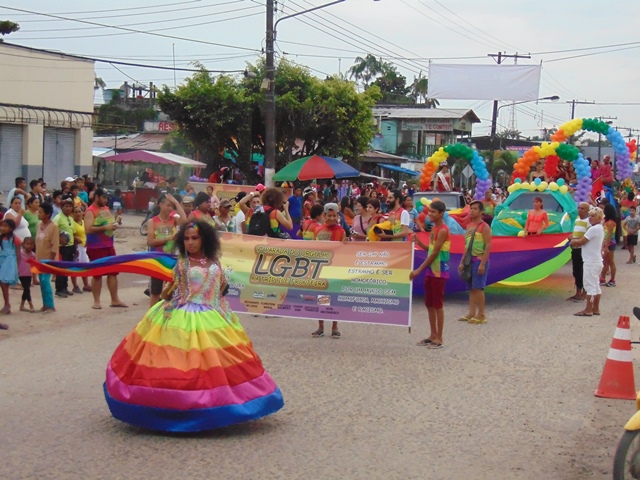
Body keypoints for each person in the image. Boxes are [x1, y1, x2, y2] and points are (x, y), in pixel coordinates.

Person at [103, 220, 284, 432]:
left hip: (213, 315)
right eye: (187, 239)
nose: (190, 243)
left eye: (195, 238)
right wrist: (168, 300)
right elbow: (168, 293)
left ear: (204, 239)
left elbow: (222, 288)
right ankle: (177, 409)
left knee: (218, 366)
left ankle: (217, 407)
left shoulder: (214, 261)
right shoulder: (182, 264)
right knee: (181, 366)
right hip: (183, 315)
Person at [410, 200, 450, 349]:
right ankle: (432, 334)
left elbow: (434, 254)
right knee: (429, 304)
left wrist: (418, 270)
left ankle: (439, 338)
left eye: (433, 212)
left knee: (438, 304)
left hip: (439, 271)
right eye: (429, 211)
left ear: (441, 214)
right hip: (431, 271)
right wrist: (419, 243)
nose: (430, 214)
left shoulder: (443, 230)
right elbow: (431, 249)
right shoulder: (434, 228)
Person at [85, 188, 128, 310]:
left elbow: (108, 223)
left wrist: (115, 223)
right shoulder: (90, 211)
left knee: (113, 273)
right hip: (95, 246)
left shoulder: (106, 209)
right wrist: (105, 227)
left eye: (106, 198)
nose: (105, 200)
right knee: (97, 274)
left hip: (109, 244)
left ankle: (115, 299)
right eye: (103, 197)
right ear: (97, 197)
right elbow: (88, 229)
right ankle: (96, 301)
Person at [312, 203, 345, 339]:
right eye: (329, 215)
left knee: (334, 299)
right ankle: (321, 327)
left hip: (335, 270)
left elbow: (344, 250)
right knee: (322, 299)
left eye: (334, 215)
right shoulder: (318, 230)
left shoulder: (341, 231)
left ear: (338, 216)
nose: (332, 218)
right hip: (321, 270)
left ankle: (335, 327)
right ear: (324, 215)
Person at [147, 194, 187, 307]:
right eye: (168, 205)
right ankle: (151, 316)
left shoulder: (174, 220)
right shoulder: (152, 221)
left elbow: (184, 220)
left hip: (172, 260)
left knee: (170, 290)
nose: (170, 208)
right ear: (160, 205)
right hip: (157, 259)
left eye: (172, 206)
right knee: (156, 291)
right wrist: (168, 239)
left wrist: (177, 202)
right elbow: (150, 241)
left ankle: (166, 314)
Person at [458, 201, 491, 324]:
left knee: (478, 288)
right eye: (471, 208)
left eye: (475, 209)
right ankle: (471, 313)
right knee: (471, 288)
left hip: (479, 259)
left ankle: (481, 314)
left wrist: (482, 263)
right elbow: (466, 247)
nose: (472, 211)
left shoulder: (484, 226)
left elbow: (488, 245)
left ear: (481, 211)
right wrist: (462, 262)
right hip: (469, 261)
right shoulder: (469, 226)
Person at [571, 207, 605, 316]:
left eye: (593, 216)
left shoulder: (593, 229)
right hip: (596, 260)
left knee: (590, 286)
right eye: (589, 215)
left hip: (591, 261)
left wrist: (573, 241)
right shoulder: (599, 228)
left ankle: (589, 309)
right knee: (595, 285)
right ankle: (595, 308)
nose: (590, 218)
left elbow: (581, 241)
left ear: (599, 217)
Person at [35, 203, 58, 313]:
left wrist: (51, 260)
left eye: (41, 212)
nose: (38, 214)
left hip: (48, 259)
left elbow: (54, 245)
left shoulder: (54, 227)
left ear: (47, 214)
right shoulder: (39, 225)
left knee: (45, 281)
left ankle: (50, 305)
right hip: (39, 259)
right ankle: (45, 304)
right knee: (41, 281)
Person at [53, 194, 77, 298]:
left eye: (70, 206)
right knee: (61, 268)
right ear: (62, 207)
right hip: (61, 247)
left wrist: (75, 247)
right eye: (66, 206)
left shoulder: (71, 219)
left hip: (70, 246)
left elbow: (73, 233)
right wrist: (59, 239)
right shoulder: (58, 218)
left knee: (67, 268)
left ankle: (65, 287)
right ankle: (59, 289)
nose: (68, 208)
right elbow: (53, 231)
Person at [567, 202, 590, 302]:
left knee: (583, 271)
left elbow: (588, 236)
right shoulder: (577, 220)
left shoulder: (589, 221)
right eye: (579, 208)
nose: (580, 210)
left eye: (583, 208)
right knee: (576, 271)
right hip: (575, 249)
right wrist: (572, 236)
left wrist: (577, 240)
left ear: (587, 211)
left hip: (583, 249)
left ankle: (585, 292)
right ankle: (578, 292)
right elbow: (576, 232)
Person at [0, 219, 19, 320]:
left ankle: (7, 304)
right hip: (2, 259)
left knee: (3, 281)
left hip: (10, 260)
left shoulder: (14, 239)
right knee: (2, 282)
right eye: (2, 226)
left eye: (6, 226)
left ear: (11, 228)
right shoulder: (2, 237)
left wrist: (18, 266)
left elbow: (18, 253)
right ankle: (6, 304)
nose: (3, 228)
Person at [71, 205, 91, 294]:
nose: (78, 214)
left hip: (84, 247)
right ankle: (75, 286)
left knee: (85, 265)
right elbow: (70, 234)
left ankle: (86, 284)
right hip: (76, 247)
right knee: (75, 266)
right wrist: (75, 238)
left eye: (80, 211)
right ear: (73, 214)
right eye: (76, 212)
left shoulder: (84, 222)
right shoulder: (72, 223)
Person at [600, 203, 617, 287]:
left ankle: (612, 280)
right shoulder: (606, 221)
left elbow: (609, 235)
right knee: (605, 262)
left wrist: (606, 247)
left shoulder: (610, 223)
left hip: (610, 244)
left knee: (610, 262)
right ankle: (602, 278)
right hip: (606, 244)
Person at [18, 236, 36, 313]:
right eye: (27, 244)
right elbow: (17, 262)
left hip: (29, 274)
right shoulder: (20, 253)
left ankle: (21, 305)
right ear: (24, 245)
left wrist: (34, 277)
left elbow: (34, 266)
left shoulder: (33, 255)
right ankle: (31, 305)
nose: (29, 246)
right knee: (27, 289)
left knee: (26, 290)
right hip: (21, 274)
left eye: (31, 244)